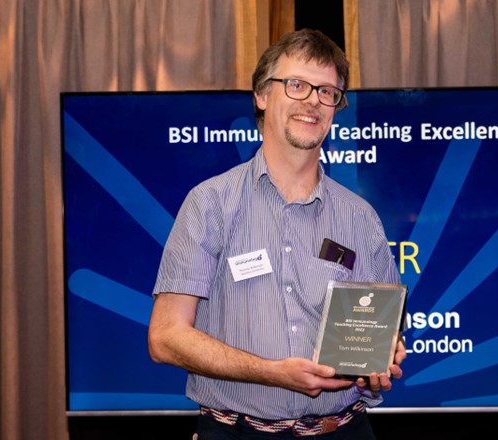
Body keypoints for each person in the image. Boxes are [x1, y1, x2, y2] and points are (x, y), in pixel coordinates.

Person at [148, 28, 405, 439]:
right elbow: (165, 338)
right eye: (297, 85)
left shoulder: (360, 217)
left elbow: (381, 331)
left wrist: (382, 358)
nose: (312, 102)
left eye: (327, 92)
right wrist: (273, 374)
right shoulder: (210, 203)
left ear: (337, 107)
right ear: (262, 95)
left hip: (345, 430)